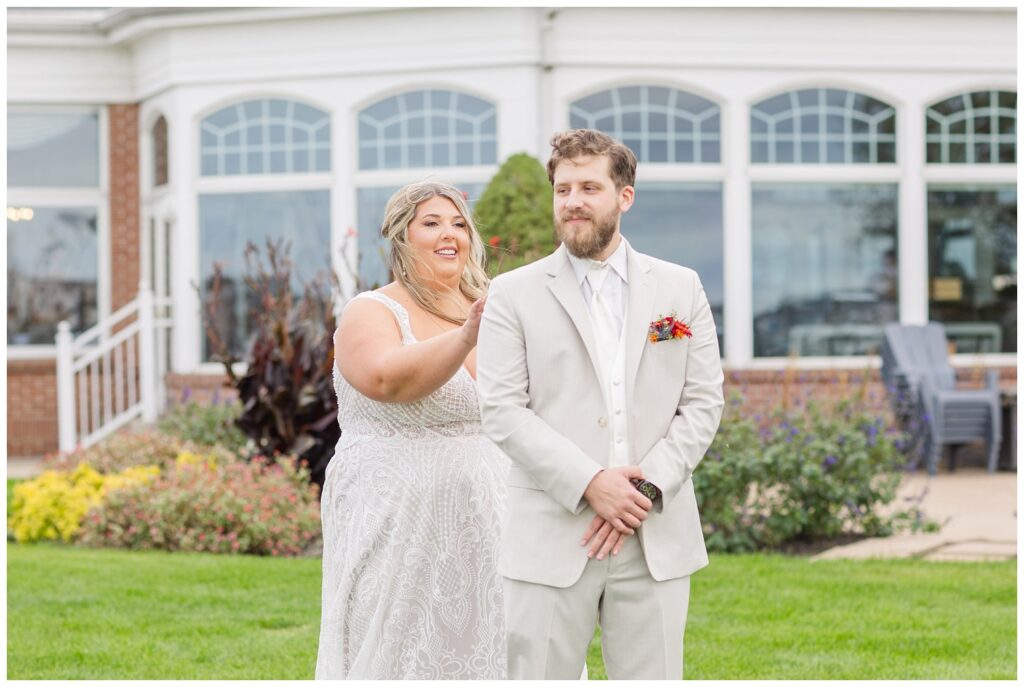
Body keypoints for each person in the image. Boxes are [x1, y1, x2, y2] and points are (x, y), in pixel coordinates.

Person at [477, 128, 725, 679]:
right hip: (550, 534)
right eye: (563, 190)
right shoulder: (511, 293)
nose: (573, 202)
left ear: (624, 196)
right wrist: (592, 483)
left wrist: (642, 490)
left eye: (589, 187)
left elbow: (704, 401)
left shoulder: (680, 289)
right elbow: (501, 408)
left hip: (653, 537)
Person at [315, 181, 506, 679]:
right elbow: (385, 378)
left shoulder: (491, 307)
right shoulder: (372, 310)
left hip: (494, 519)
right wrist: (465, 337)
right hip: (394, 521)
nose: (451, 234)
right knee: (399, 650)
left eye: (460, 223)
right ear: (402, 236)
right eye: (433, 222)